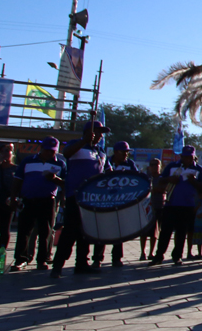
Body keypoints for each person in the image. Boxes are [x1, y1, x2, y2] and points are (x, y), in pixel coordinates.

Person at [51, 119, 109, 278]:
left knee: (86, 232)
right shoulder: (76, 144)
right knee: (70, 232)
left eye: (102, 134)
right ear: (89, 132)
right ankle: (58, 266)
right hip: (75, 195)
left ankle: (82, 263)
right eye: (98, 132)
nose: (100, 136)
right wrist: (84, 140)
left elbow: (106, 171)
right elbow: (67, 153)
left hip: (93, 198)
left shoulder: (100, 151)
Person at [12, 137, 66, 271]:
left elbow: (66, 183)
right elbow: (18, 180)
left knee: (45, 231)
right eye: (47, 150)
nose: (50, 153)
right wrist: (14, 197)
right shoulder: (28, 161)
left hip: (48, 200)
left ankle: (42, 260)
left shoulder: (60, 164)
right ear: (41, 149)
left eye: (53, 151)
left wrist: (54, 179)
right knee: (24, 231)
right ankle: (21, 259)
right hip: (28, 200)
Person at [148, 146, 202, 266]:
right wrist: (170, 179)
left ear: (193, 157)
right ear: (181, 156)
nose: (187, 159)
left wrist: (193, 181)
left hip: (188, 205)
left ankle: (177, 256)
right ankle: (159, 256)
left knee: (181, 232)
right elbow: (161, 180)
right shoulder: (172, 166)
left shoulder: (198, 168)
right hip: (171, 203)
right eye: (185, 157)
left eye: (190, 157)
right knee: (165, 231)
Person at [97, 141, 140, 268]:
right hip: (105, 201)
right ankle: (97, 258)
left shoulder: (130, 164)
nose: (126, 155)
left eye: (127, 152)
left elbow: (136, 179)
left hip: (121, 201)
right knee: (102, 230)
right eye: (123, 152)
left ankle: (117, 258)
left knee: (119, 230)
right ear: (115, 152)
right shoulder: (106, 162)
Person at [143, 158, 165, 260]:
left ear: (160, 166)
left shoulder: (162, 178)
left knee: (155, 231)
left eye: (156, 164)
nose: (154, 166)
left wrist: (151, 189)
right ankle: (142, 252)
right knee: (144, 231)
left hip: (158, 205)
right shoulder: (146, 178)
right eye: (152, 164)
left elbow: (163, 189)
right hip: (146, 207)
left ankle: (151, 252)